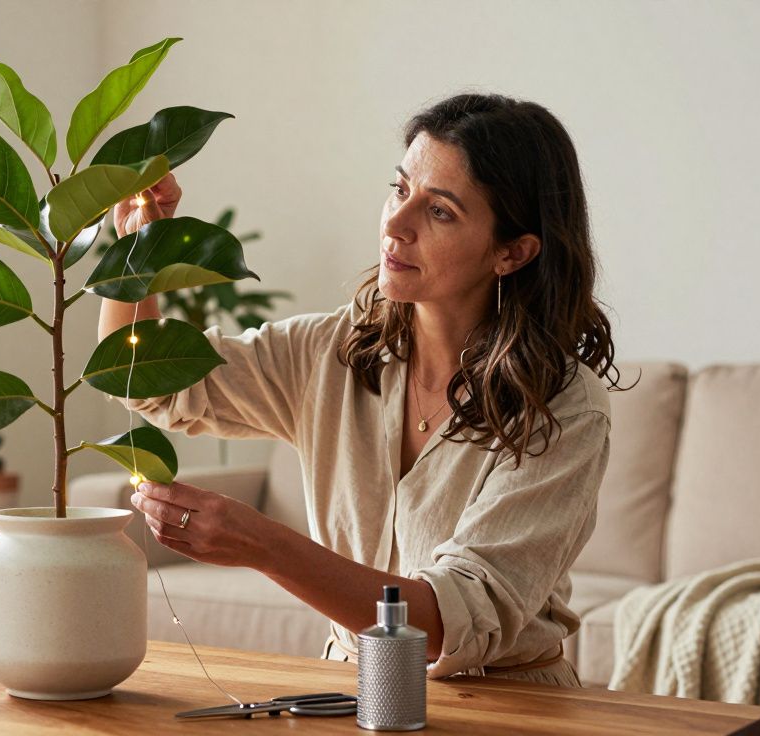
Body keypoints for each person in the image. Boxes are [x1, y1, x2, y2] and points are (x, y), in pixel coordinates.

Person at [97, 92, 626, 688]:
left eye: (441, 212)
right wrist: (138, 247)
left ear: (511, 252)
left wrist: (262, 543)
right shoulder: (330, 352)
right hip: (348, 694)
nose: (396, 226)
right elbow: (142, 379)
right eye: (400, 191)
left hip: (504, 707)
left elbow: (446, 625)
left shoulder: (562, 407)